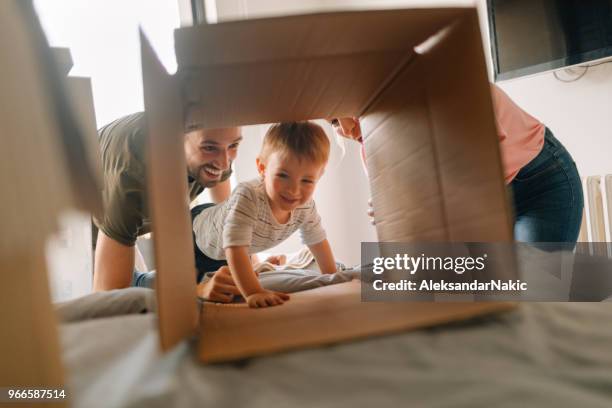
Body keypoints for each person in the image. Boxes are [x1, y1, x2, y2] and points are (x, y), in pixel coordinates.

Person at [330, 83, 583, 247]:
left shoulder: (435, 84)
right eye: (333, 122)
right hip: (483, 207)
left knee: (535, 299)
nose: (348, 131)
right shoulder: (373, 152)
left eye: (352, 113)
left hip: (539, 182)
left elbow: (476, 163)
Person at [92, 112, 244, 301]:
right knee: (126, 297)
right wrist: (197, 291)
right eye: (209, 148)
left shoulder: (218, 144)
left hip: (121, 222)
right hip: (72, 236)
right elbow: (108, 300)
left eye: (234, 145)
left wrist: (248, 261)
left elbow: (230, 222)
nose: (224, 163)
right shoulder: (134, 176)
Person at [191, 121, 338, 308]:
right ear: (262, 167)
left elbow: (318, 241)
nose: (294, 190)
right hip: (196, 238)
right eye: (283, 175)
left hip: (226, 250)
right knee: (181, 289)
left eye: (307, 180)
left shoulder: (306, 207)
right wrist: (254, 292)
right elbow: (235, 248)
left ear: (319, 176)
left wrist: (333, 278)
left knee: (227, 281)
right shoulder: (249, 196)